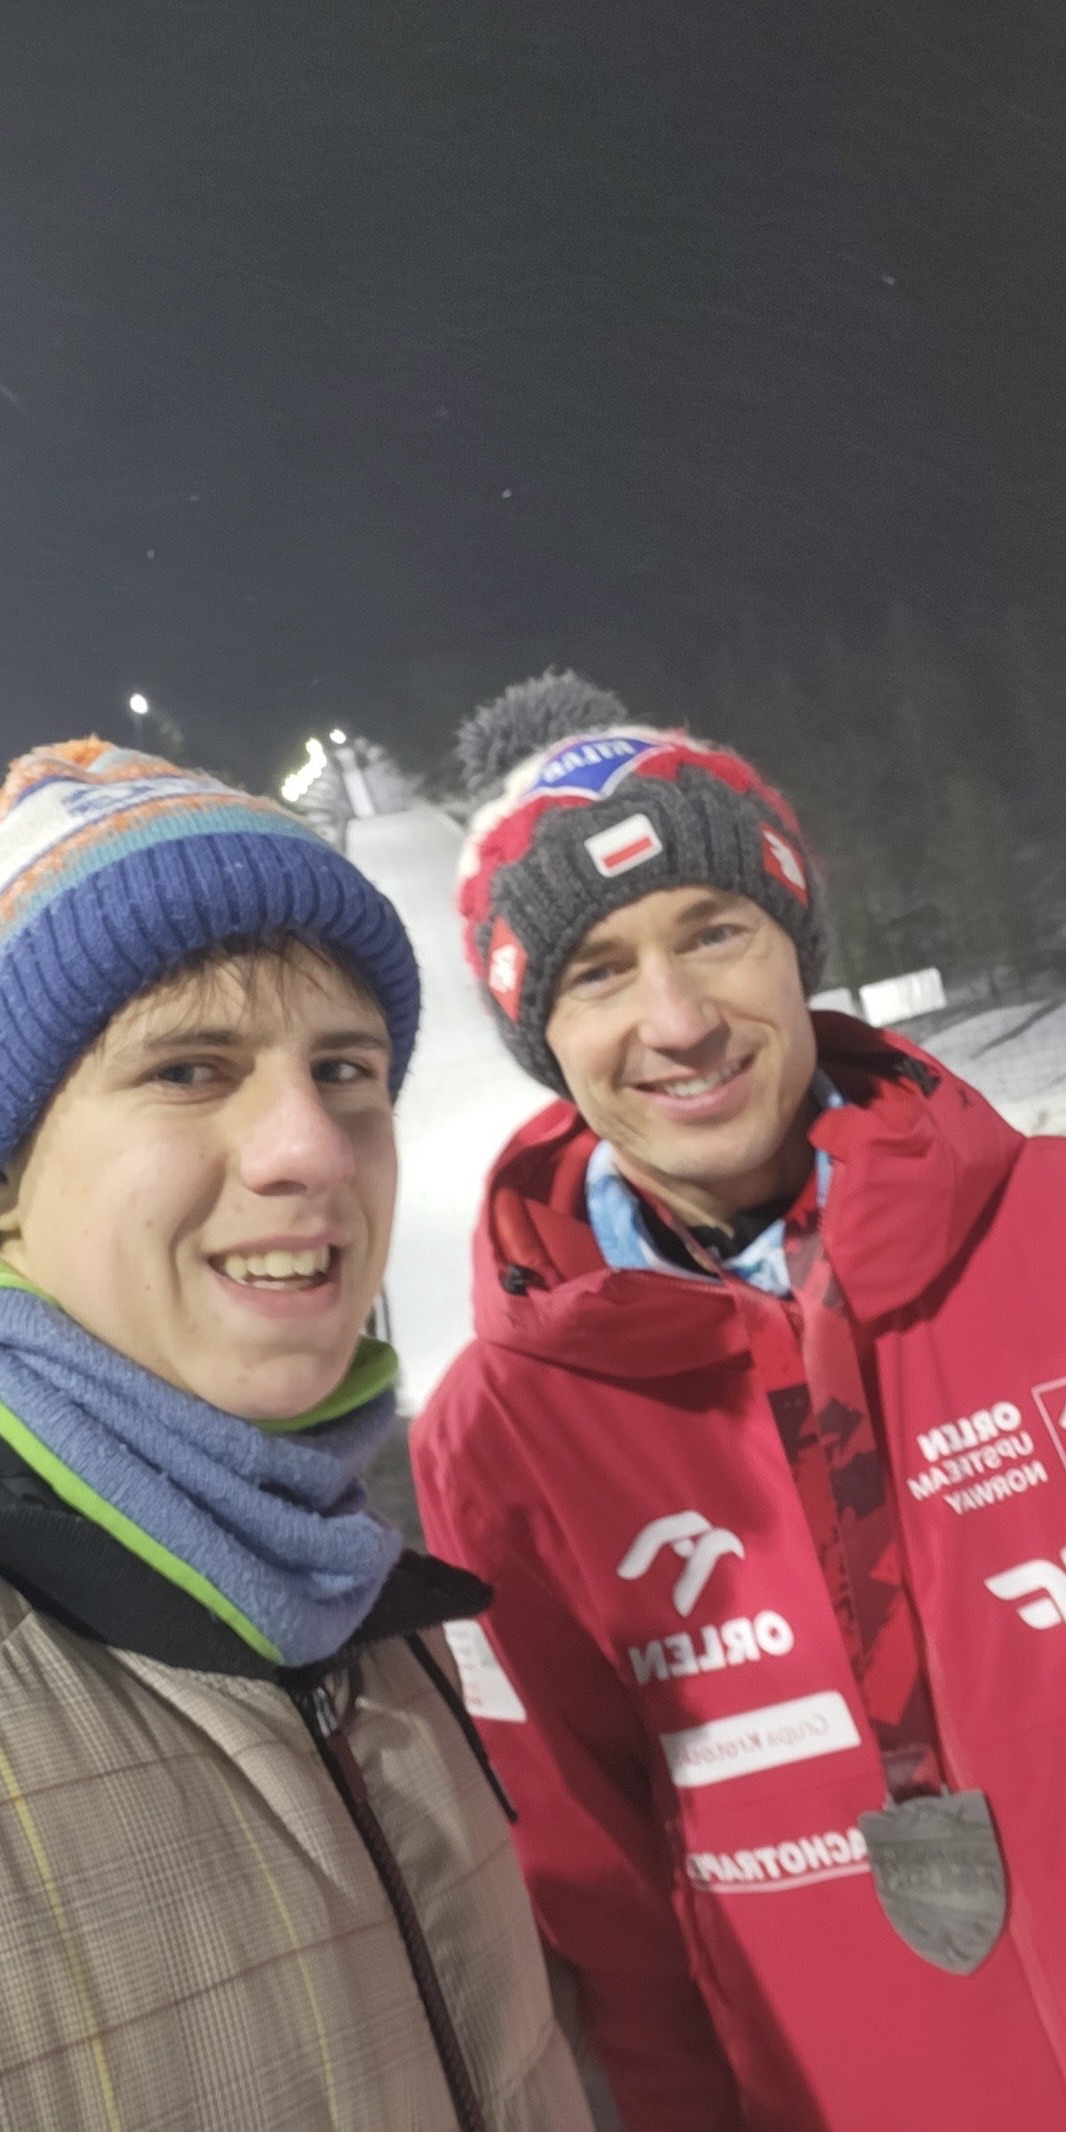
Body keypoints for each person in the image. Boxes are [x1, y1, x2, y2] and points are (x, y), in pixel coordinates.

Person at [0, 736, 592, 2132]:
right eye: (188, 1070)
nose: (313, 1148)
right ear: (2, 1172)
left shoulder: (347, 1585)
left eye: (346, 1068)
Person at [412, 670, 1066, 2132]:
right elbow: (603, 1905)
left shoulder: (1053, 1233)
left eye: (714, 931)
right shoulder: (499, 1432)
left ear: (795, 944)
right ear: (539, 1033)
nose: (678, 1020)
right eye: (597, 972)